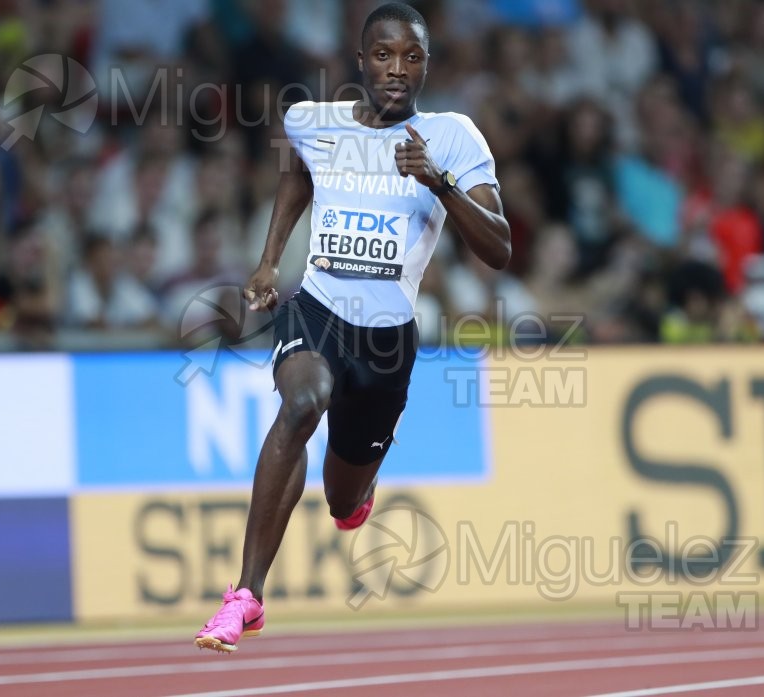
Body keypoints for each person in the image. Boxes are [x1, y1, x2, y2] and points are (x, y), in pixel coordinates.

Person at [194, 2, 511, 653]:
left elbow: (500, 247)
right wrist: (267, 261)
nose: (398, 68)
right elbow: (296, 175)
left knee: (342, 500)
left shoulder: (452, 137)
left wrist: (440, 181)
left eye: (413, 57)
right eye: (386, 54)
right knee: (302, 402)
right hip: (318, 311)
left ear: (426, 64)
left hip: (388, 343)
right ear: (362, 60)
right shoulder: (313, 121)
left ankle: (356, 492)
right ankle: (246, 594)